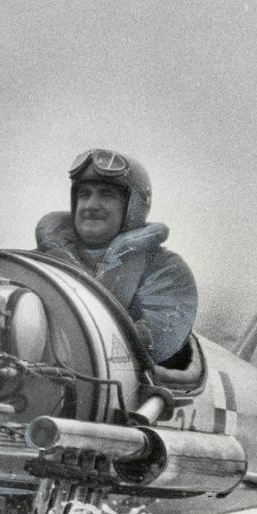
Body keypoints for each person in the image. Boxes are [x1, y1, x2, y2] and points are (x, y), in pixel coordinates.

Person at [35, 148, 197, 364]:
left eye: (106, 195)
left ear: (133, 206)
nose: (91, 205)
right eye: (84, 194)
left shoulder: (167, 271)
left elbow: (147, 345)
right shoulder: (40, 261)